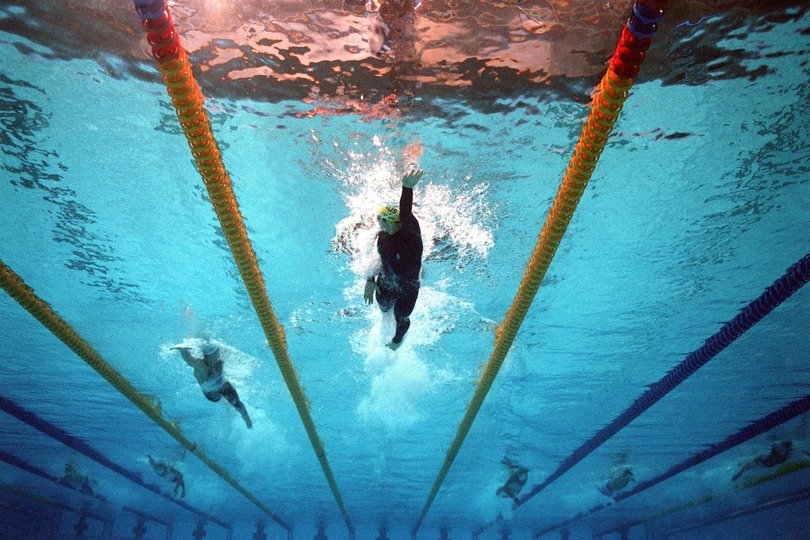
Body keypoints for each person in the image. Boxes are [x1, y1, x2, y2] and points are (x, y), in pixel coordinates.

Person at [364, 167, 424, 350]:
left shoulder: (410, 233)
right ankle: (388, 329)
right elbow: (376, 261)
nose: (377, 222)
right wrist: (369, 280)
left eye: (379, 218)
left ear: (387, 219)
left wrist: (407, 188)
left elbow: (405, 212)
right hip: (387, 280)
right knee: (383, 308)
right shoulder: (381, 237)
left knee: (402, 315)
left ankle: (397, 342)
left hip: (409, 286)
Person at [172, 343, 252, 428]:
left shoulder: (219, 359)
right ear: (206, 357)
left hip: (223, 384)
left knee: (237, 403)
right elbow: (190, 360)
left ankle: (247, 421)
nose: (214, 358)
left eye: (216, 354)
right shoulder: (202, 367)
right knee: (223, 399)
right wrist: (182, 349)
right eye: (210, 357)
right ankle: (229, 409)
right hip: (213, 394)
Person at [732, 440, 810, 481]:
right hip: (761, 461)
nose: (782, 450)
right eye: (782, 447)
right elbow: (749, 465)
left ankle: (740, 466)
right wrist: (739, 474)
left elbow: (802, 452)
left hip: (766, 461)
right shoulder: (770, 453)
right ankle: (738, 465)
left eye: (784, 448)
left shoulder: (790, 452)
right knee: (748, 462)